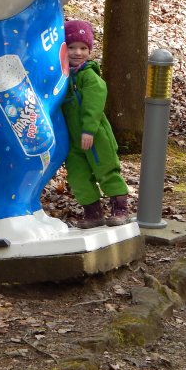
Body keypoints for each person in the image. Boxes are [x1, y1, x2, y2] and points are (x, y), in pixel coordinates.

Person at [61, 20, 130, 227]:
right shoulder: (62, 77)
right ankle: (93, 213)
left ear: (89, 51)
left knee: (105, 169)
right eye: (72, 47)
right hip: (72, 139)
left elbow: (94, 104)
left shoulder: (89, 76)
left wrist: (89, 130)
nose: (77, 52)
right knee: (78, 175)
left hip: (95, 135)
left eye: (83, 48)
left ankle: (120, 209)